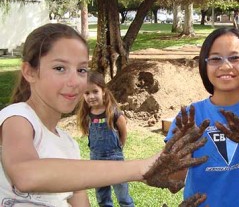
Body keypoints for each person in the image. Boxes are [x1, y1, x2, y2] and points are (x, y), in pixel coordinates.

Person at [0, 23, 207, 207]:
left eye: (81, 70)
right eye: (60, 68)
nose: (74, 82)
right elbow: (26, 174)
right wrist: (142, 168)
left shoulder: (69, 145)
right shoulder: (17, 118)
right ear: (29, 72)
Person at [165, 27, 239, 206]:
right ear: (205, 65)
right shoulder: (190, 117)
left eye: (235, 58)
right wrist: (183, 147)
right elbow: (174, 181)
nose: (225, 66)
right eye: (215, 59)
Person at [77, 71, 134, 206]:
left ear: (103, 91)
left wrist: (120, 145)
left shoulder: (113, 113)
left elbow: (123, 131)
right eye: (87, 93)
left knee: (122, 195)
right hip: (95, 159)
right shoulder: (87, 114)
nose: (91, 96)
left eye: (95, 91)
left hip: (115, 158)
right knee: (102, 196)